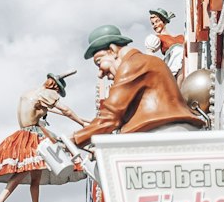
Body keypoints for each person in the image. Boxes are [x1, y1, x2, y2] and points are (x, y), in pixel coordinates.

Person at [0, 72, 87, 202]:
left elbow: (35, 111)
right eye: (58, 92)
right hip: (33, 135)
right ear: (54, 86)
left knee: (34, 176)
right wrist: (82, 123)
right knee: (28, 169)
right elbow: (66, 110)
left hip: (22, 134)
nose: (57, 95)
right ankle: (0, 199)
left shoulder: (28, 93)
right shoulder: (45, 93)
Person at [73, 25, 204, 145]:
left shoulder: (132, 65)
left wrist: (73, 140)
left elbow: (110, 118)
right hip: (167, 135)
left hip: (160, 137)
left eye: (99, 62)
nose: (100, 74)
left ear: (112, 51)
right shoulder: (147, 62)